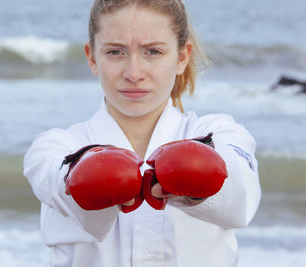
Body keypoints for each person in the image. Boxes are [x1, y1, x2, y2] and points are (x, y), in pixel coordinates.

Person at [23, 0, 261, 266]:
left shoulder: (219, 133)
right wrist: (90, 175)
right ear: (92, 57)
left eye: (153, 52)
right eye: (115, 52)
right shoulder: (56, 149)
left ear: (182, 57)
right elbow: (54, 180)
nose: (134, 73)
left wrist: (192, 176)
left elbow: (241, 195)